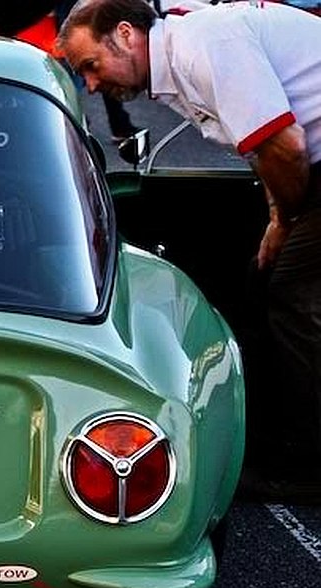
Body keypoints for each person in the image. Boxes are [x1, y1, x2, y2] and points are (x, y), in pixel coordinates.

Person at [57, 0, 321, 497]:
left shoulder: (204, 47)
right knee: (266, 283)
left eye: (91, 66)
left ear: (126, 34)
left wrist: (285, 220)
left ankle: (308, 466)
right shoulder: (183, 50)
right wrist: (272, 217)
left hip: (311, 160)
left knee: (293, 296)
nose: (90, 85)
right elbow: (262, 147)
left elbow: (285, 145)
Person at [54, 0, 143, 143]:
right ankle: (77, 123)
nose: (91, 87)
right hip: (77, 28)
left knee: (93, 74)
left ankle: (83, 124)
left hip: (81, 25)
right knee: (78, 79)